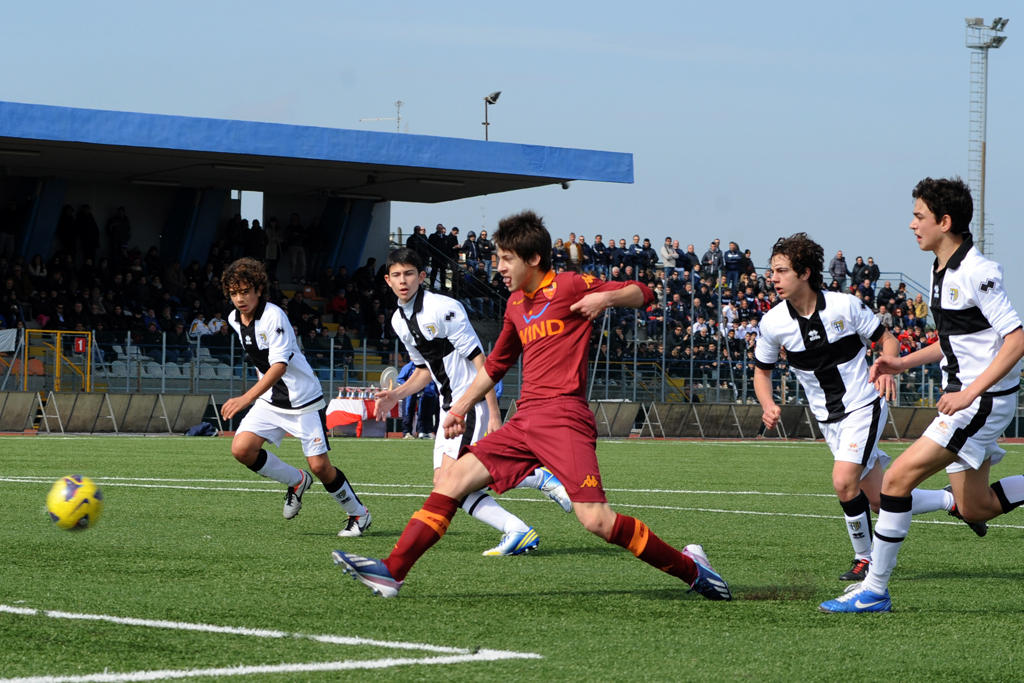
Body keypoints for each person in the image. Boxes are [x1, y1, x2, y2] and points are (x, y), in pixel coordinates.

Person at [332, 210, 731, 600]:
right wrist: (460, 408)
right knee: (450, 482)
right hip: (524, 421)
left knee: (596, 521)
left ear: (533, 258)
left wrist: (605, 299)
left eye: (506, 259)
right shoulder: (514, 305)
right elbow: (495, 365)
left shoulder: (571, 285)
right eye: (497, 258)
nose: (499, 267)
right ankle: (392, 572)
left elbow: (643, 292)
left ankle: (694, 571)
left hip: (564, 419)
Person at [820, 177, 1024, 613]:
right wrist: (902, 363)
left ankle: (875, 590)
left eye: (919, 216)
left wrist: (970, 393)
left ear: (944, 222)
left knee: (895, 481)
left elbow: (1016, 339)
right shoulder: (939, 269)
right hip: (970, 398)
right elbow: (956, 342)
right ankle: (875, 588)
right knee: (975, 507)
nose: (912, 224)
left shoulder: (977, 272)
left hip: (980, 402)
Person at [754, 232, 972, 583]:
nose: (773, 278)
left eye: (781, 271)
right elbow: (761, 372)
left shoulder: (845, 306)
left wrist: (887, 367)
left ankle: (864, 559)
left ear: (805, 273)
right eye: (772, 271)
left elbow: (887, 340)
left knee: (843, 481)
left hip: (863, 405)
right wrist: (768, 403)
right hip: (828, 419)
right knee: (880, 499)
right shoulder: (773, 323)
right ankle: (953, 502)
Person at [371, 247, 573, 555]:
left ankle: (527, 505)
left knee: (453, 481)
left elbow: (483, 363)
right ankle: (526, 505)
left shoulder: (444, 308)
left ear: (422, 276)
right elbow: (424, 371)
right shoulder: (399, 321)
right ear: (387, 280)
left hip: (470, 404)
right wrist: (395, 395)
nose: (403, 281)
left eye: (409, 274)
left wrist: (493, 413)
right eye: (396, 275)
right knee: (446, 482)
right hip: (448, 409)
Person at [219, 257, 372, 538]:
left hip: (303, 401)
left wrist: (245, 398)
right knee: (242, 449)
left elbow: (279, 366)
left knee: (320, 466)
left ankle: (359, 514)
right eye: (233, 293)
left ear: (258, 290)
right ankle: (297, 481)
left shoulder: (274, 316)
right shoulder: (234, 319)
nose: (239, 299)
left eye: (245, 292)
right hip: (270, 401)